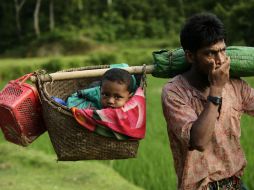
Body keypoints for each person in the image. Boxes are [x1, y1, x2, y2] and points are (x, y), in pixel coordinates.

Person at [161, 13, 252, 189]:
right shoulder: (174, 92)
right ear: (190, 56)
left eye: (222, 50)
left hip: (235, 183)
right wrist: (216, 89)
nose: (220, 60)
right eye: (210, 53)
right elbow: (199, 141)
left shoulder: (235, 84)